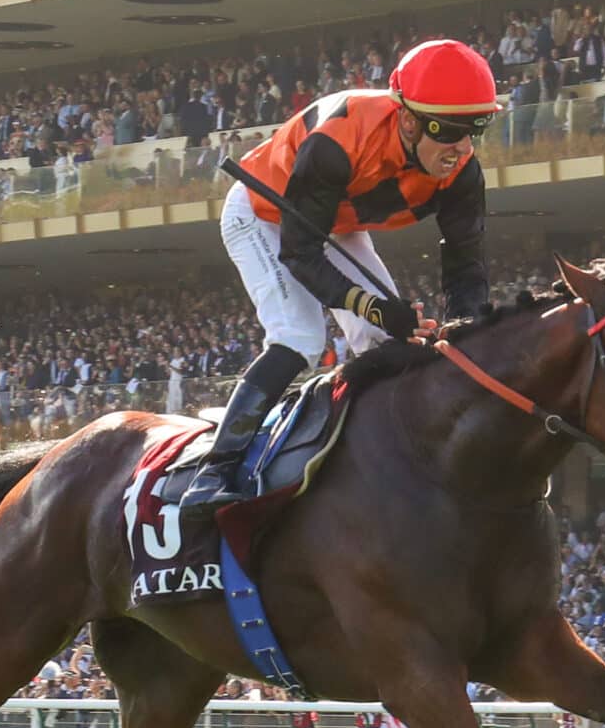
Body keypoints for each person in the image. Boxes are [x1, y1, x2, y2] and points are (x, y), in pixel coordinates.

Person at [177, 39, 499, 510]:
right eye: (451, 132)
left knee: (391, 344)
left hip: (337, 221)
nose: (463, 149)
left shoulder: (463, 172)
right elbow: (300, 254)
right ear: (408, 120)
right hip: (267, 213)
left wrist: (468, 335)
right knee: (300, 337)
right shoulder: (338, 141)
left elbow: (465, 266)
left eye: (475, 131)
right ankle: (215, 471)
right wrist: (374, 307)